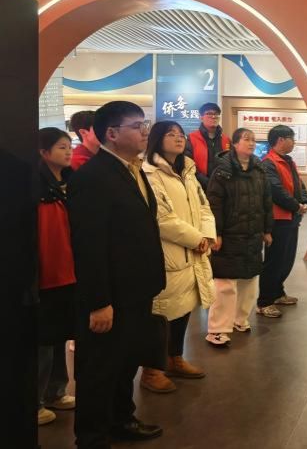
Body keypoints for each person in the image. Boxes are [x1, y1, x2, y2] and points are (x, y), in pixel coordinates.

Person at [67, 101, 165, 447]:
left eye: (145, 124)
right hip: (111, 295)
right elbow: (89, 245)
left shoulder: (132, 170)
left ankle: (121, 419)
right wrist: (99, 302)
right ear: (111, 133)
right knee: (100, 368)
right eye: (137, 126)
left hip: (136, 290)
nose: (145, 132)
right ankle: (92, 437)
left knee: (125, 362)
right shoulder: (93, 178)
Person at [140, 121, 216, 391]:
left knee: (183, 309)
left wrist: (207, 235)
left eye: (181, 134)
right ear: (157, 139)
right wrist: (197, 239)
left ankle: (175, 358)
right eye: (171, 134)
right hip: (169, 252)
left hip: (193, 251)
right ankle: (152, 370)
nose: (178, 138)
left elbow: (204, 205)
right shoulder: (149, 172)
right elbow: (161, 218)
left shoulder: (188, 170)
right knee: (161, 313)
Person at [206, 128, 273, 346]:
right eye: (246, 139)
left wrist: (267, 230)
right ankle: (217, 329)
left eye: (253, 139)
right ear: (234, 144)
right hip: (229, 235)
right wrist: (215, 233)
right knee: (225, 283)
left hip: (253, 234)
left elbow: (266, 201)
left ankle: (240, 319)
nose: (251, 143)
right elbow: (214, 204)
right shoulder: (222, 170)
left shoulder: (259, 169)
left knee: (250, 280)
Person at [37, 128, 77, 426]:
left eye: (69, 146)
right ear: (43, 152)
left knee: (61, 333)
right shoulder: (34, 186)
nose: (68, 151)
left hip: (69, 270)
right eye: (61, 147)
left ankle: (56, 391)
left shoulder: (72, 182)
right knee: (42, 339)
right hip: (44, 273)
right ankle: (34, 401)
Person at [256, 125, 307, 317]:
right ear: (280, 140)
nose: (293, 142)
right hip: (278, 220)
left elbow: (299, 185)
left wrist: (305, 201)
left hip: (291, 218)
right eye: (291, 138)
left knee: (286, 260)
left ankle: (278, 293)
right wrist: (296, 206)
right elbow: (276, 191)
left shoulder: (288, 161)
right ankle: (264, 302)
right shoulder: (268, 163)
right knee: (274, 261)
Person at [185, 102, 230, 190]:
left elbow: (229, 163)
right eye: (209, 113)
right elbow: (188, 164)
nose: (213, 116)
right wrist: (206, 182)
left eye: (216, 114)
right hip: (199, 186)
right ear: (201, 118)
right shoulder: (191, 138)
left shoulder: (226, 140)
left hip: (222, 187)